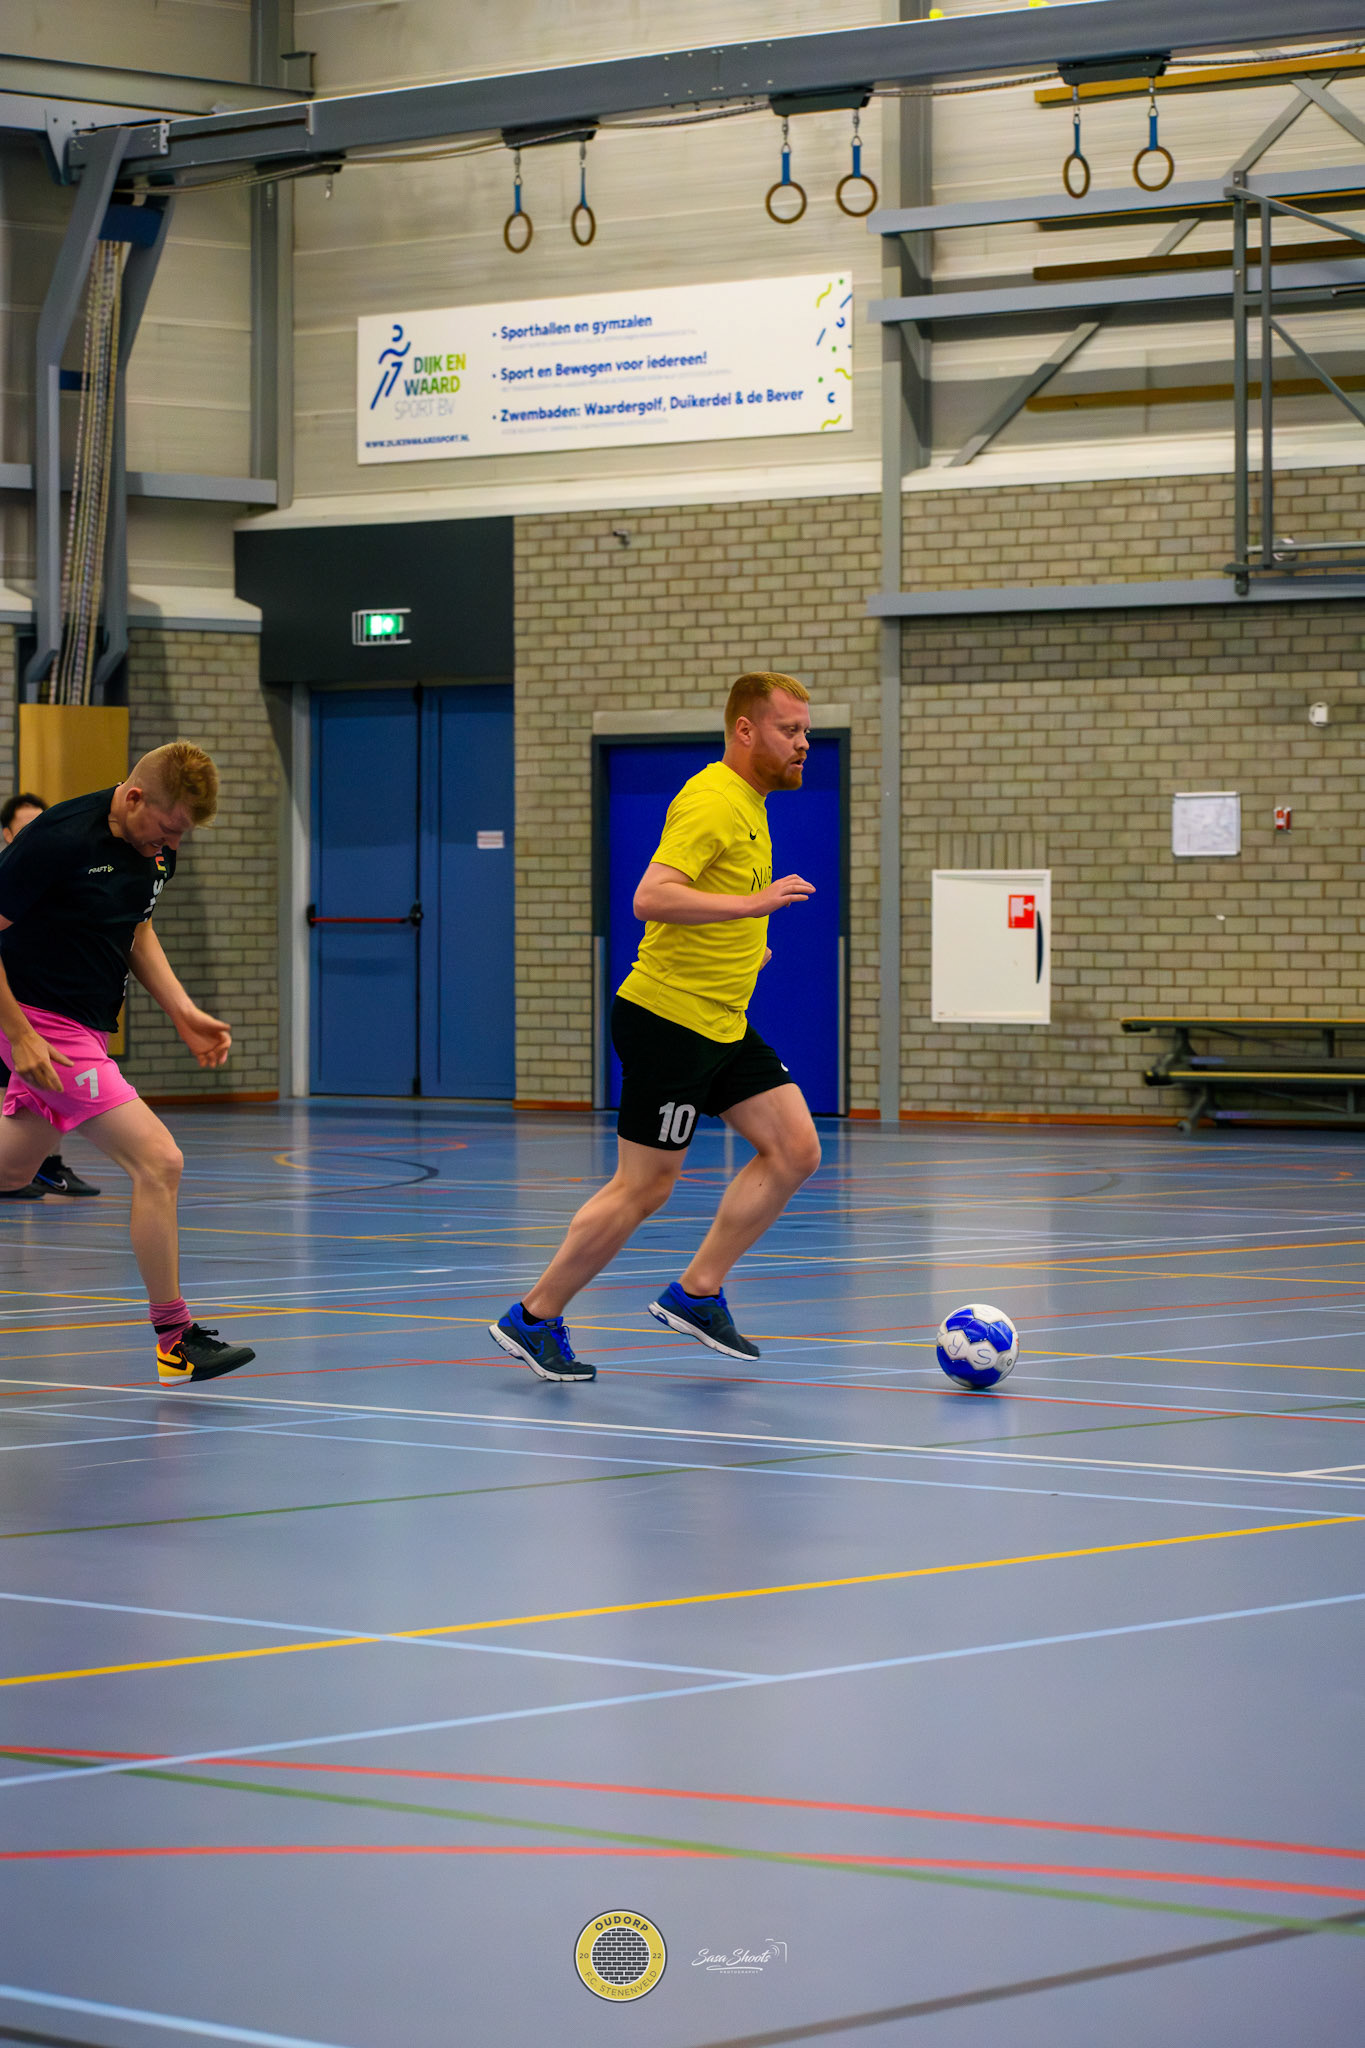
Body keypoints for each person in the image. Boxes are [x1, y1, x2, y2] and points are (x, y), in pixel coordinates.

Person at [491, 670, 822, 1383]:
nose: (803, 743)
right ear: (745, 730)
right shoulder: (711, 800)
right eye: (789, 730)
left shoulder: (751, 802)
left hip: (721, 1021)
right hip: (669, 1021)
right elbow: (652, 896)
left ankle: (697, 1293)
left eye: (805, 731)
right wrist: (756, 905)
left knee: (795, 1148)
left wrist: (746, 947)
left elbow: (709, 900)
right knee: (644, 1187)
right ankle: (534, 1317)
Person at [0, 744, 257, 1385]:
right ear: (135, 797)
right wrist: (21, 1034)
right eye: (167, 829)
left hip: (85, 1026)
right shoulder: (57, 839)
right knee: (159, 1161)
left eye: (182, 835)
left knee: (11, 1169)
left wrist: (182, 1011)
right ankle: (175, 1340)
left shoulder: (155, 847)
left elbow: (134, 927)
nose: (170, 845)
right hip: (41, 1023)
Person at [0, 793, 99, 1200]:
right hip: (8, 1000)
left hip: (39, 1001)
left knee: (47, 1081)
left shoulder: (58, 872)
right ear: (8, 834)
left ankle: (48, 1166)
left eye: (41, 824)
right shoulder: (10, 876)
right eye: (26, 826)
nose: (36, 833)